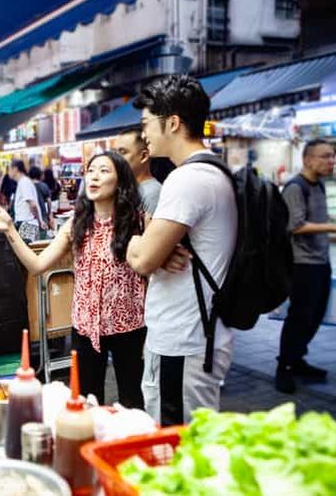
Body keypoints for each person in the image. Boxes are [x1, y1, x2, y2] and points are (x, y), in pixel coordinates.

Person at [0, 152, 147, 407]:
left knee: (133, 402)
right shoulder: (76, 223)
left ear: (120, 181)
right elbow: (37, 265)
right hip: (85, 328)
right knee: (88, 402)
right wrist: (10, 230)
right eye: (91, 170)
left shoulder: (139, 222)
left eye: (104, 170)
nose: (94, 176)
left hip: (130, 328)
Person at [126, 74, 237, 425]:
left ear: (172, 123)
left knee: (176, 445)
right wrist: (152, 245)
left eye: (147, 124)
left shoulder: (187, 179)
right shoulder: (215, 170)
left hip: (182, 340)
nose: (144, 134)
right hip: (196, 335)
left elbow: (142, 259)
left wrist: (132, 241)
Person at [276, 139, 336, 393]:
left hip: (321, 261)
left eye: (333, 156)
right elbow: (295, 226)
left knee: (315, 315)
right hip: (302, 264)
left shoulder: (318, 185)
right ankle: (285, 367)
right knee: (300, 317)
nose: (332, 161)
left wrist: (331, 224)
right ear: (308, 159)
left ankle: (298, 359)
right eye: (326, 156)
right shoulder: (295, 187)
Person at [114, 127, 162, 217]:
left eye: (122, 152)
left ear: (143, 156)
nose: (115, 158)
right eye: (115, 153)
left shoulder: (152, 193)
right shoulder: (124, 188)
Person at [8, 160, 45, 241]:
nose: (8, 172)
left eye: (9, 169)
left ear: (15, 169)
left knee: (26, 251)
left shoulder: (24, 182)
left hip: (27, 224)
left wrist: (39, 221)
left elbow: (33, 204)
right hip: (27, 223)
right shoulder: (24, 182)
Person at [29, 166, 53, 233]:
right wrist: (49, 212)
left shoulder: (28, 186)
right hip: (42, 214)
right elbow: (49, 201)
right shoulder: (44, 185)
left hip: (31, 216)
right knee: (44, 234)